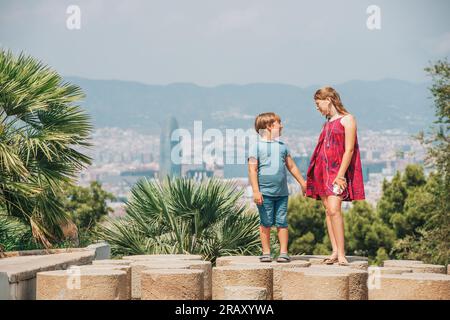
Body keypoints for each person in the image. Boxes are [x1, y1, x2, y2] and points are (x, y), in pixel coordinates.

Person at [306, 86, 365, 266]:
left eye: (318, 103)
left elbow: (349, 149)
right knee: (328, 211)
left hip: (336, 172)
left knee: (334, 209)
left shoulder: (348, 119)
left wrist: (340, 175)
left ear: (328, 99)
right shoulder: (327, 122)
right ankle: (334, 251)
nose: (317, 108)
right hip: (321, 171)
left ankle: (341, 254)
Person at [248, 112, 307, 263]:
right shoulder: (256, 147)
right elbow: (252, 169)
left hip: (282, 193)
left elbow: (292, 166)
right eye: (278, 123)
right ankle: (266, 252)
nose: (281, 126)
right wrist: (255, 190)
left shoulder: (283, 147)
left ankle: (283, 252)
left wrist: (303, 182)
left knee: (282, 222)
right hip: (264, 193)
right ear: (268, 126)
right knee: (265, 222)